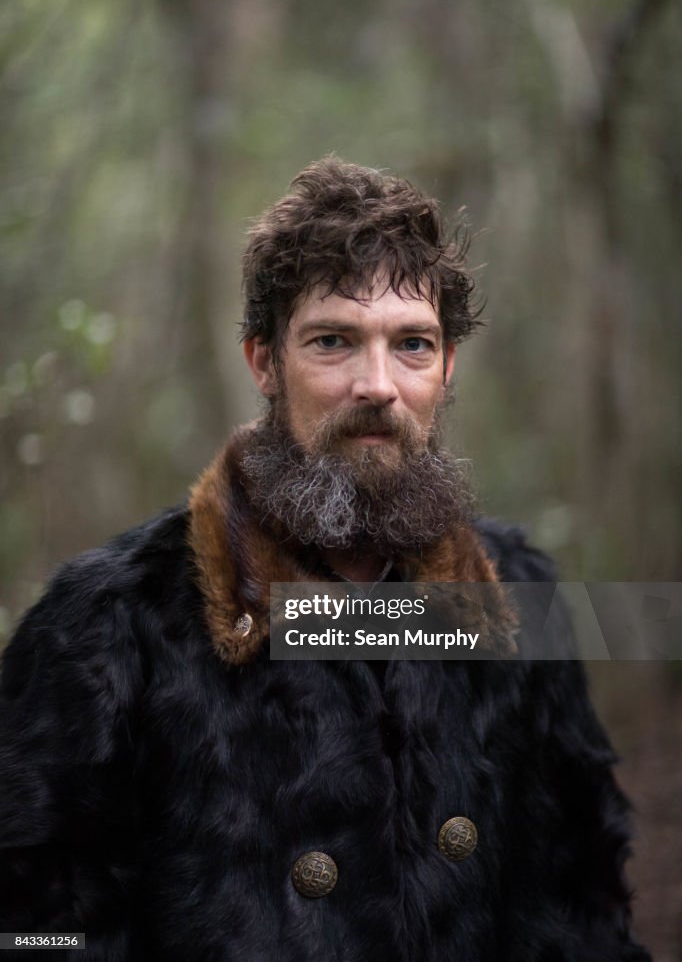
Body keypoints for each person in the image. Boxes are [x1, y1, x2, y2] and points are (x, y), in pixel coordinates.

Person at [0, 156, 649, 961]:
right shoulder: (111, 621)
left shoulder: (517, 599)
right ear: (265, 364)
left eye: (411, 344)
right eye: (334, 341)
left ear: (446, 371)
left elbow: (582, 905)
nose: (376, 385)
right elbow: (30, 928)